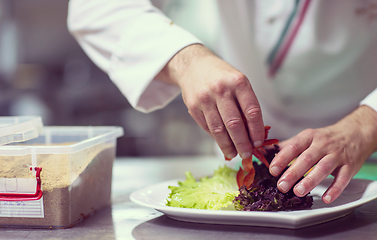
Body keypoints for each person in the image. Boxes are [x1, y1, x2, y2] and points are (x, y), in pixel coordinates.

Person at [67, 0, 377, 204]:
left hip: (366, 157)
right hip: (252, 163)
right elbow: (96, 7)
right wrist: (187, 61)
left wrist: (366, 126)